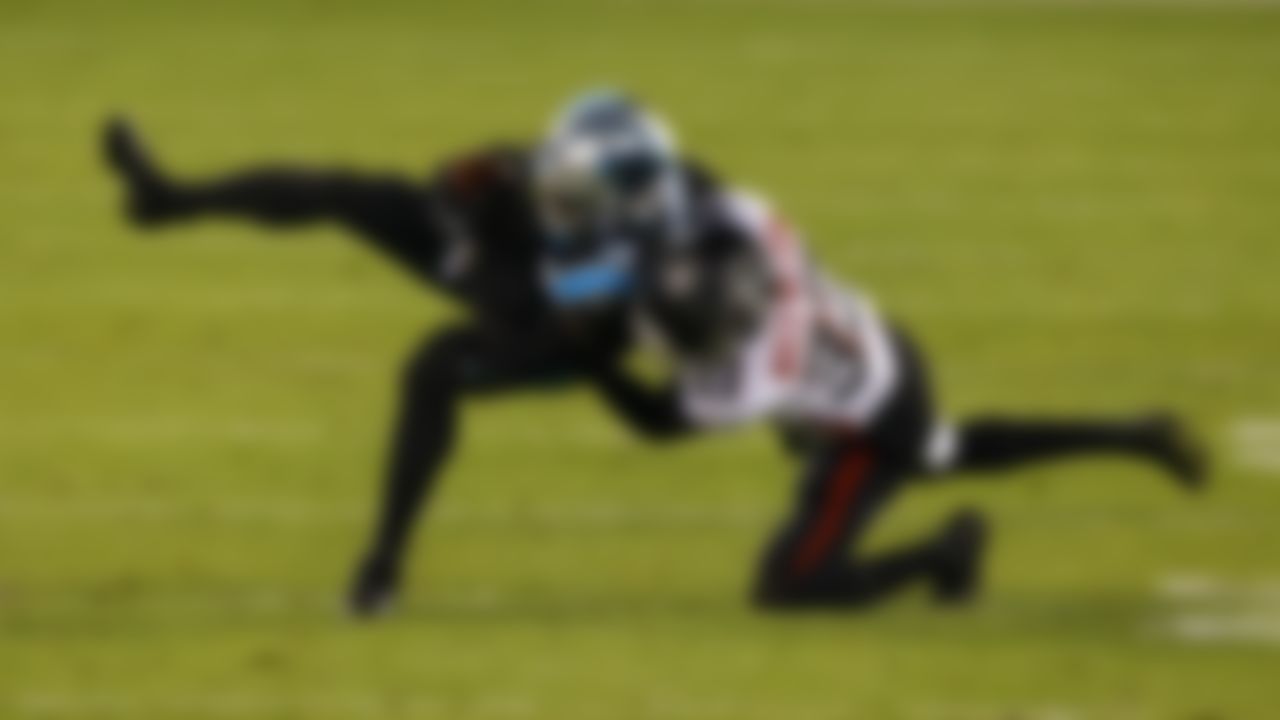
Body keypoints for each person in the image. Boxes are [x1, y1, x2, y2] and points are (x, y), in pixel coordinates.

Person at [103, 90, 715, 616]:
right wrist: (467, 187)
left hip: (561, 324)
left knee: (433, 368)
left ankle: (383, 563)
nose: (556, 189)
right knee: (346, 193)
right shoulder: (590, 176)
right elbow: (467, 181)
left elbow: (644, 329)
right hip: (517, 264)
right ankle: (169, 200)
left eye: (576, 193)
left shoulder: (661, 242)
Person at [584, 185, 1207, 608]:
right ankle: (1131, 435)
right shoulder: (770, 243)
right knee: (952, 449)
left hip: (872, 429)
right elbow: (714, 202)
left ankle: (943, 556)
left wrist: (592, 362)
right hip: (887, 351)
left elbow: (656, 422)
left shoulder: (758, 377)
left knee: (790, 583)